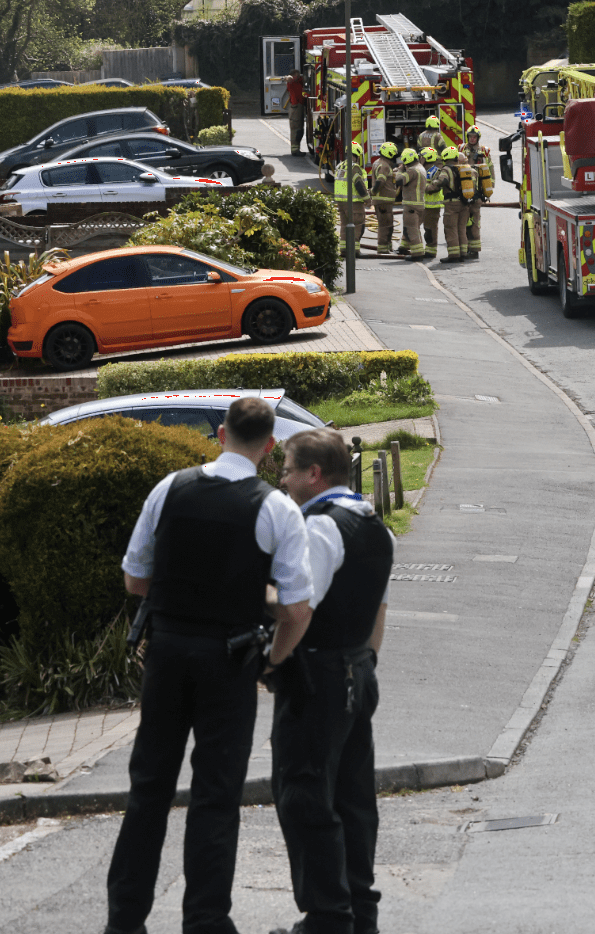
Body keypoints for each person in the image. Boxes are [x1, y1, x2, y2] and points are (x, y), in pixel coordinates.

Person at [106, 396, 314, 934]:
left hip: (168, 651)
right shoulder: (275, 509)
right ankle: (205, 920)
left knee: (148, 786)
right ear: (269, 448)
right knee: (217, 794)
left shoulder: (168, 489)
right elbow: (296, 609)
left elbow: (134, 579)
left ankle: (124, 921)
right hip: (230, 658)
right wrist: (273, 658)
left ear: (220, 434)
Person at [268, 428, 392, 934]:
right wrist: (363, 666)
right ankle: (360, 913)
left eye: (289, 469)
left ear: (313, 474)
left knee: (303, 795)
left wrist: (273, 660)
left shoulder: (319, 529)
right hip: (357, 669)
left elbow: (297, 611)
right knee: (353, 798)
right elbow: (379, 613)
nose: (283, 478)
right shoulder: (374, 526)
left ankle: (325, 918)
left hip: (319, 676)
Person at [463, 125, 493, 256]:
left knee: (474, 222)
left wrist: (488, 190)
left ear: (478, 138)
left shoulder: (484, 151)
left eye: (474, 137)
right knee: (463, 221)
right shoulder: (460, 149)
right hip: (463, 190)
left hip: (477, 191)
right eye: (470, 137)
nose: (472, 139)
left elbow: (490, 171)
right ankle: (465, 247)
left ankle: (474, 250)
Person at [332, 141, 369, 245]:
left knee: (344, 225)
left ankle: (344, 248)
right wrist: (367, 199)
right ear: (357, 155)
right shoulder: (355, 167)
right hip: (354, 202)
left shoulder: (340, 166)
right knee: (358, 225)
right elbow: (359, 185)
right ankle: (354, 250)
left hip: (341, 202)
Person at [441, 146, 473, 262]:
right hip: (464, 202)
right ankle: (463, 253)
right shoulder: (462, 168)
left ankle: (454, 255)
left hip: (451, 204)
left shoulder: (446, 169)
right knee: (461, 228)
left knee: (451, 228)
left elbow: (442, 181)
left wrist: (432, 184)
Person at [370, 142, 401, 255]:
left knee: (388, 224)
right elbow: (381, 181)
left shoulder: (379, 163)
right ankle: (383, 248)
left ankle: (387, 246)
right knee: (385, 225)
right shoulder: (384, 166)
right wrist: (373, 192)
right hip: (383, 200)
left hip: (383, 200)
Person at [396, 148, 427, 258]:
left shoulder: (412, 170)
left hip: (411, 204)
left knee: (411, 229)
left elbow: (399, 180)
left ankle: (417, 253)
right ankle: (404, 247)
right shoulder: (421, 168)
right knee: (413, 228)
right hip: (420, 204)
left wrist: (400, 170)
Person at [420, 146, 444, 256]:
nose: (420, 158)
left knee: (430, 229)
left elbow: (435, 188)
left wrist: (421, 186)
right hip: (423, 205)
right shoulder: (422, 170)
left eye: (421, 157)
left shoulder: (436, 171)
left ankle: (431, 251)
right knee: (424, 228)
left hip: (432, 206)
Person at [286, 72, 305, 155]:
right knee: (295, 130)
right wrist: (288, 77)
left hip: (298, 107)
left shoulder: (298, 82)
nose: (298, 76)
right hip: (295, 108)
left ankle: (297, 149)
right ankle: (295, 151)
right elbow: (287, 78)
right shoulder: (291, 82)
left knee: (299, 130)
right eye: (296, 75)